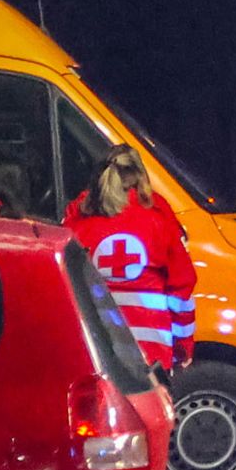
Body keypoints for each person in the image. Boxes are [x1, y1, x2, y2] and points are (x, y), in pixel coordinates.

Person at [75, 145, 201, 374]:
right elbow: (181, 288)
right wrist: (183, 348)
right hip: (151, 359)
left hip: (95, 356)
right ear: (140, 176)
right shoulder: (157, 215)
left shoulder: (79, 216)